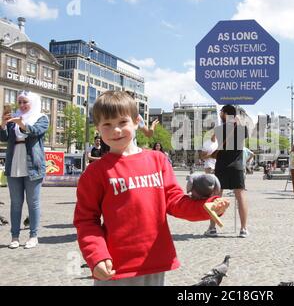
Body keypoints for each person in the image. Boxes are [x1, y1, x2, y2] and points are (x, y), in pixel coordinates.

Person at [73, 91, 229, 286]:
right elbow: (86, 220)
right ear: (98, 128)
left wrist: (207, 207)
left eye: (122, 122)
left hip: (154, 260)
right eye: (107, 124)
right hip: (115, 267)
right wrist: (96, 255)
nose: (116, 130)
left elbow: (175, 201)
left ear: (137, 121)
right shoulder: (95, 172)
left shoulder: (158, 160)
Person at [0, 91, 49, 249]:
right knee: (15, 203)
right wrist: (3, 123)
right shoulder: (15, 117)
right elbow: (4, 138)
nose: (21, 105)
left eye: (25, 102)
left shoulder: (42, 117)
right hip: (14, 161)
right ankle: (15, 236)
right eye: (19, 102)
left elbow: (35, 131)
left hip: (33, 163)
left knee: (33, 202)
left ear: (32, 102)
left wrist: (21, 124)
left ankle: (33, 236)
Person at [203, 105, 249, 238]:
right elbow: (241, 135)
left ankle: (212, 228)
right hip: (237, 166)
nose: (219, 114)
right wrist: (237, 120)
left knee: (216, 196)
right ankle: (243, 229)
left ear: (225, 113)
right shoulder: (241, 128)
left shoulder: (219, 129)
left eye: (221, 112)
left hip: (222, 165)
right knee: (240, 197)